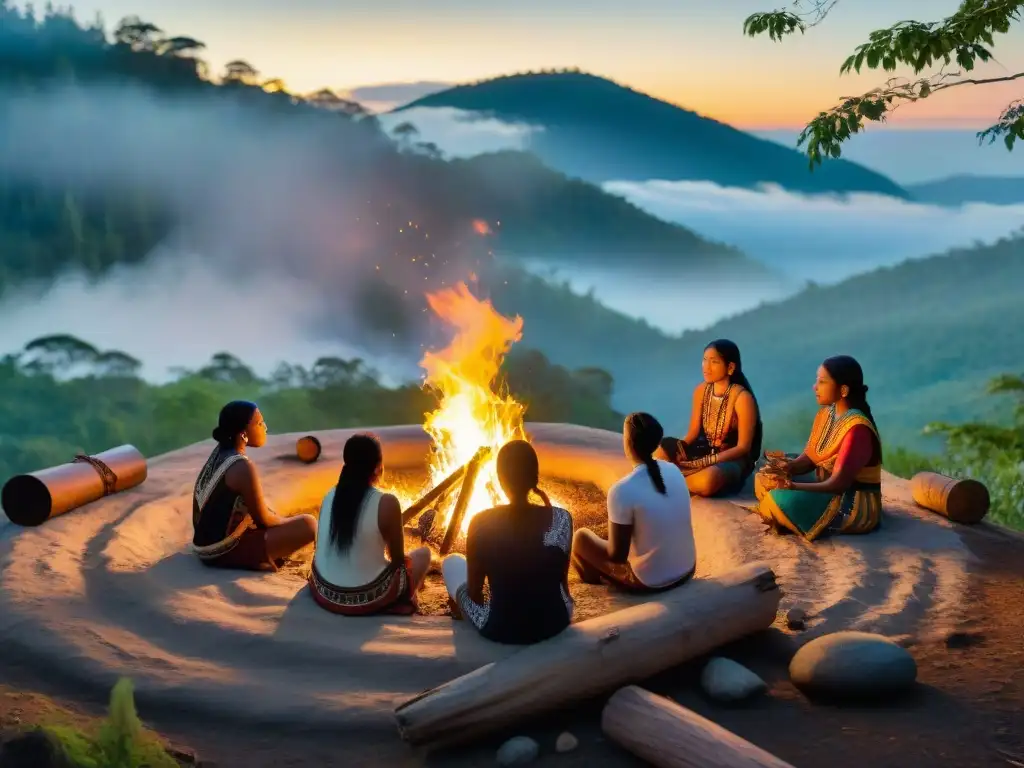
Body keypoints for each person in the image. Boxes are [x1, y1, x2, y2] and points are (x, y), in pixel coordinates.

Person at [441, 440, 574, 645]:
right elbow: (562, 586)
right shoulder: (562, 518)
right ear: (535, 476)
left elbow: (475, 594)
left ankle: (459, 606)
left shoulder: (480, 522)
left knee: (451, 562)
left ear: (500, 480)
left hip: (500, 628)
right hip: (555, 622)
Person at [755, 355, 883, 541]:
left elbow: (838, 484)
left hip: (850, 502)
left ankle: (787, 508)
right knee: (763, 477)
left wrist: (793, 487)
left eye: (822, 382)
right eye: (817, 380)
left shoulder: (857, 428)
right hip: (826, 485)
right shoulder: (826, 414)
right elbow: (810, 457)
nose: (815, 387)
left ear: (844, 390)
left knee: (778, 499)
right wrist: (786, 468)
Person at [308, 433, 432, 616]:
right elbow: (396, 559)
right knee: (423, 554)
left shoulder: (330, 495)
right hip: (365, 596)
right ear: (377, 467)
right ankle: (407, 595)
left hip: (324, 591)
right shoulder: (387, 502)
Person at [572, 412, 696, 592]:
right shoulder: (674, 471)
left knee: (581, 538)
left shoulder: (621, 491)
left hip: (650, 581)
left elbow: (617, 556)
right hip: (687, 569)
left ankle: (597, 582)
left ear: (628, 443)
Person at [192, 401, 318, 569]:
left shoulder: (220, 452)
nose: (265, 427)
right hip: (220, 552)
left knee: (270, 510)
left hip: (202, 546)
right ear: (243, 433)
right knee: (308, 524)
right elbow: (264, 520)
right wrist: (284, 522)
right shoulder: (242, 466)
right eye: (259, 423)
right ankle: (256, 559)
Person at [656, 339, 762, 497]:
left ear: (730, 367)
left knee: (708, 480)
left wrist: (704, 463)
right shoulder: (700, 391)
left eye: (714, 362)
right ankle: (675, 478)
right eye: (704, 360)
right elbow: (692, 434)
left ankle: (668, 480)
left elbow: (743, 448)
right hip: (702, 451)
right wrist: (675, 450)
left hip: (731, 460)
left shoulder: (742, 397)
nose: (706, 366)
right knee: (659, 452)